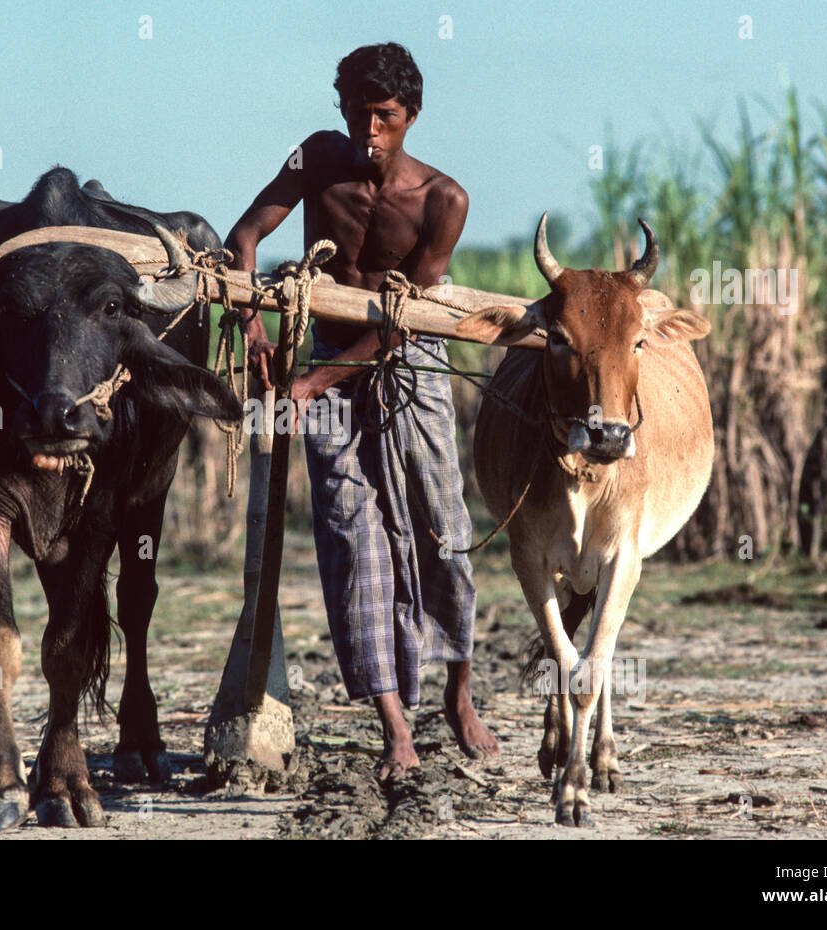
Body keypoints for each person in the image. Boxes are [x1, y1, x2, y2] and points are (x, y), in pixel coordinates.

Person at [224, 42, 498, 779]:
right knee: (352, 538)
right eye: (356, 112)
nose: (367, 129)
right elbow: (245, 236)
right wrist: (251, 320)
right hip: (326, 360)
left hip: (408, 365)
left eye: (383, 116)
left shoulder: (445, 200)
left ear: (410, 117)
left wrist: (311, 387)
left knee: (442, 525)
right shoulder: (316, 157)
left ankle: (459, 694)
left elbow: (404, 320)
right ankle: (394, 728)